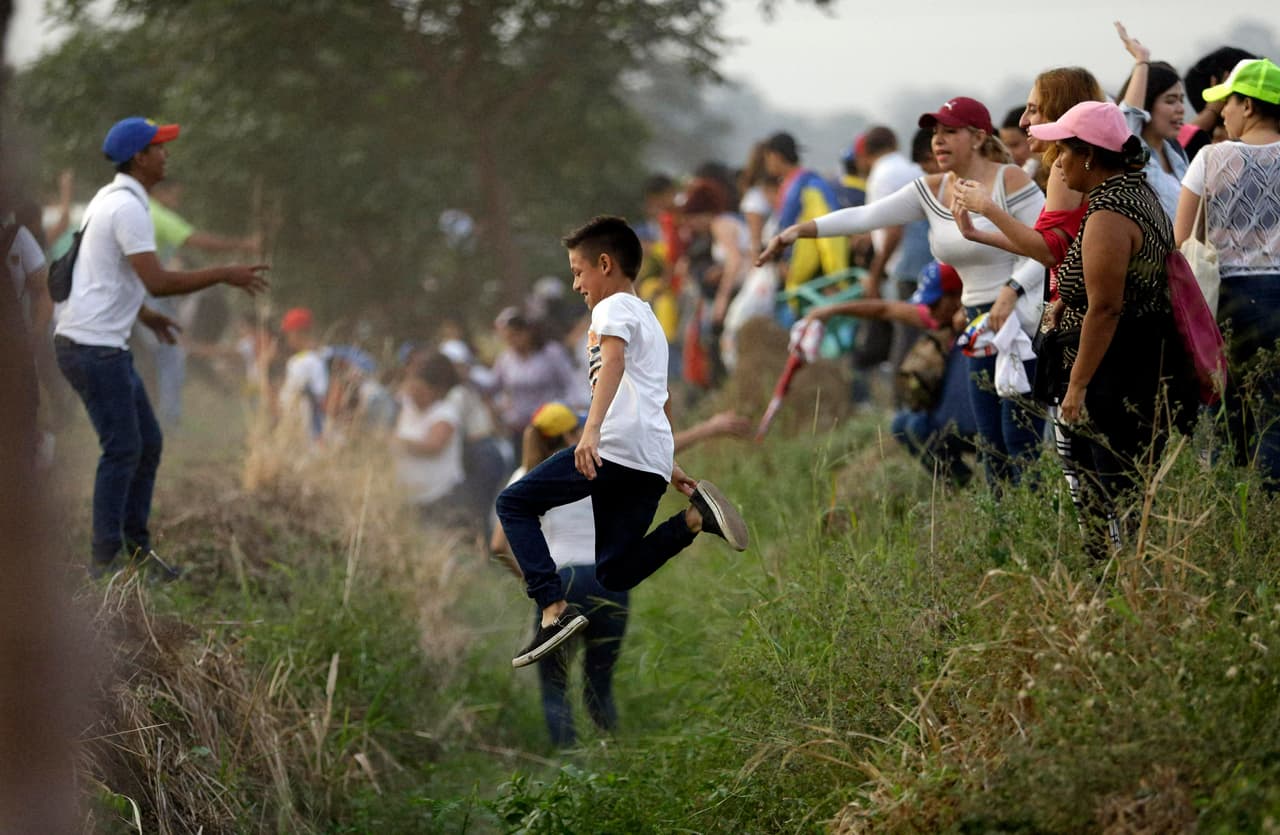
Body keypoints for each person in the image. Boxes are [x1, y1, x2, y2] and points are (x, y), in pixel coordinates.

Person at [495, 216, 749, 668]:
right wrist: (666, 461)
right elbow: (658, 396)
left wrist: (590, 430)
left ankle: (553, 611)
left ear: (605, 265)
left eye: (578, 271)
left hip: (612, 449)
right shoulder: (648, 317)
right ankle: (692, 520)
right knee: (613, 572)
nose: (576, 285)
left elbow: (611, 363)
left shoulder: (610, 309)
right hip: (645, 459)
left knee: (514, 504)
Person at [760, 97, 1046, 486]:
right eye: (935, 134)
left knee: (1019, 439)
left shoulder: (1009, 180)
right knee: (991, 442)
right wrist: (797, 231)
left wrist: (1011, 292)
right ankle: (1008, 535)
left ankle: (1042, 526)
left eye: (950, 132)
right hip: (977, 321)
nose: (938, 142)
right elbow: (864, 215)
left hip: (1019, 319)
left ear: (979, 137)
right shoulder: (930, 189)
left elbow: (1045, 249)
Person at [54, 117, 267, 578]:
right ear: (139, 158)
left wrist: (147, 317)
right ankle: (106, 561)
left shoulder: (113, 199)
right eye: (159, 147)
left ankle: (135, 551)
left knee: (145, 443)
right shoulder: (128, 208)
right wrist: (224, 272)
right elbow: (158, 280)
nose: (166, 154)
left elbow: (107, 279)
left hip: (100, 342)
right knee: (123, 448)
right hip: (94, 348)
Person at [492, 402, 750, 746]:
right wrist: (708, 428)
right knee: (599, 684)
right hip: (606, 583)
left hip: (560, 582)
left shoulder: (524, 477)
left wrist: (535, 581)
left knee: (555, 688)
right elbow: (648, 452)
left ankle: (571, 769)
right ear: (570, 435)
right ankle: (610, 754)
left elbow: (497, 544)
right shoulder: (596, 460)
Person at [1030, 101, 1197, 557]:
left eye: (1062, 150)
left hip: (1116, 372)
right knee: (1125, 492)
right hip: (1140, 364)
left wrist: (1077, 388)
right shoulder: (1133, 193)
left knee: (1110, 493)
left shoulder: (1108, 215)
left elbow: (1104, 309)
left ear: (1087, 154)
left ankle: (1118, 592)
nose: (1057, 162)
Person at [1174, 58, 1280, 487]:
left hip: (1228, 301)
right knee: (1275, 415)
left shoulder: (1210, 158)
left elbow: (1184, 242)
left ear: (1249, 106)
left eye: (1228, 105)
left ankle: (1231, 511)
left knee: (1227, 412)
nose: (1225, 114)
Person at [139, 178, 259, 426]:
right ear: (161, 192)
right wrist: (244, 245)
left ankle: (155, 419)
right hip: (144, 292)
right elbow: (196, 240)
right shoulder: (156, 214)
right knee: (170, 355)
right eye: (175, 194)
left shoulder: (138, 209)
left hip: (140, 291)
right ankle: (168, 423)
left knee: (159, 355)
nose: (177, 201)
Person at [1114, 22, 1189, 220]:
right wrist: (1142, 61)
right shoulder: (1133, 154)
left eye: (1182, 100)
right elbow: (1129, 117)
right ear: (1147, 104)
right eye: (1170, 100)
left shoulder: (1177, 156)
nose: (1180, 109)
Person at [762, 131, 849, 303]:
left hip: (811, 273)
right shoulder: (792, 184)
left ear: (775, 156)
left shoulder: (808, 185)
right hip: (794, 270)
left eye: (767, 158)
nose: (766, 164)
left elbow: (828, 230)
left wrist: (835, 276)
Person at [392, 352, 467, 523]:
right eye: (411, 388)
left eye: (419, 391)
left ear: (437, 391)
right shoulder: (408, 406)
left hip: (438, 497)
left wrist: (396, 442)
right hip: (410, 496)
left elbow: (433, 446)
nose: (413, 394)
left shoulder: (446, 412)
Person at [492, 310, 580, 447]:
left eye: (515, 336)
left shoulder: (551, 353)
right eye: (507, 338)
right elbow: (493, 385)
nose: (512, 342)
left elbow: (570, 383)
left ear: (527, 332)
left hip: (550, 426)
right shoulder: (506, 359)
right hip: (521, 429)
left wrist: (571, 409)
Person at [276, 307, 329, 440]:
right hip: (331, 428)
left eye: (287, 334)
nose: (286, 339)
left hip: (313, 434)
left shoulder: (297, 363)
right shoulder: (327, 353)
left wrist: (264, 369)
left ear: (296, 333)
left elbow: (285, 407)